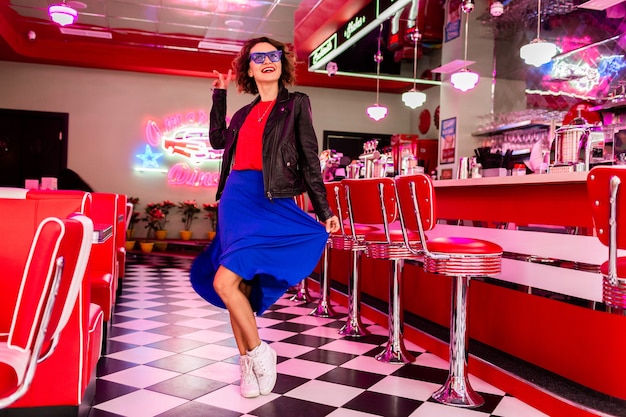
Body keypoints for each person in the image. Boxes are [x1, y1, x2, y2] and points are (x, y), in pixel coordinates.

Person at [190, 36, 340, 399]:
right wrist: (219, 96)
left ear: (281, 64)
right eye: (258, 58)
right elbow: (216, 141)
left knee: (225, 283)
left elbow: (308, 158)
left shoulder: (296, 105)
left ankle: (260, 352)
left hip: (271, 200)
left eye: (273, 55)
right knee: (234, 286)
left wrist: (324, 209)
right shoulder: (242, 114)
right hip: (236, 200)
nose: (267, 61)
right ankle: (247, 365)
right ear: (250, 68)